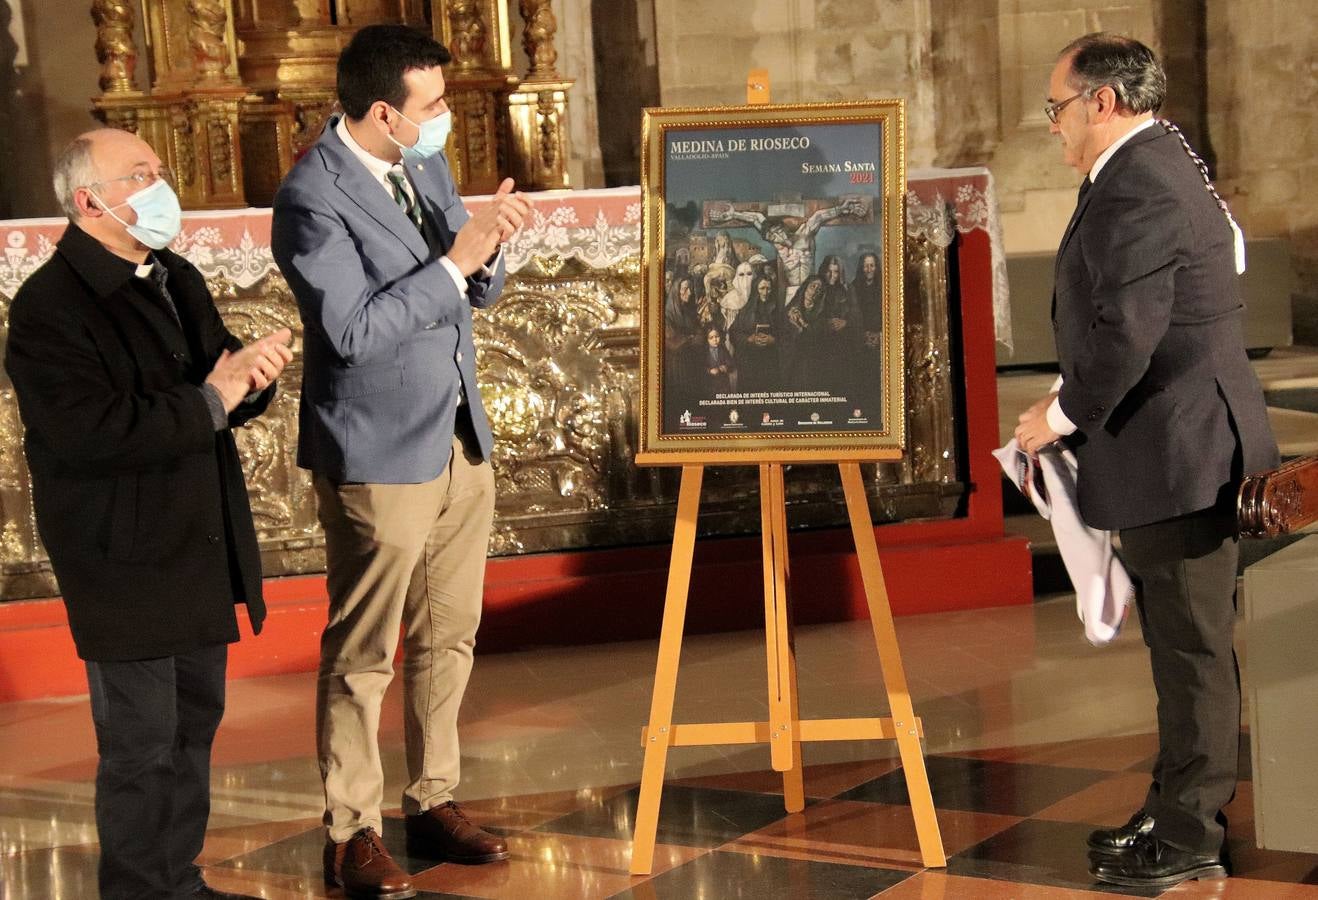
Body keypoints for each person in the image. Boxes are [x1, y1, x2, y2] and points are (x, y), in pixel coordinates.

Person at [271, 24, 529, 900]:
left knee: (448, 635)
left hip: (457, 436)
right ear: (385, 111)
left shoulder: (423, 163)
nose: (447, 119)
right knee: (366, 650)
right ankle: (351, 831)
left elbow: (466, 287)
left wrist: (489, 243)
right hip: (379, 450)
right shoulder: (311, 197)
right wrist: (456, 262)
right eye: (435, 106)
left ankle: (434, 799)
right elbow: (349, 333)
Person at [1014, 33, 1278, 890]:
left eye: (1057, 108)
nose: (1052, 126)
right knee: (1177, 645)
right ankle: (1174, 806)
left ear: (1103, 100)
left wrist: (1057, 415)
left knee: (1193, 648)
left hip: (1184, 445)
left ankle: (1192, 831)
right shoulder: (1152, 165)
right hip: (1173, 439)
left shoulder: (1146, 180)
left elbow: (1129, 328)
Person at [4, 128, 293, 900]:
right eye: (141, 174)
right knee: (140, 745)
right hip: (122, 554)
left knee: (194, 725)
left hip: (195, 540)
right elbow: (88, 433)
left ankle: (178, 879)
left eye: (159, 170)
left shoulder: (174, 277)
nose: (162, 186)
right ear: (89, 200)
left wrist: (251, 379)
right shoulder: (48, 309)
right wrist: (213, 398)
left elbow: (219, 379)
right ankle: (136, 890)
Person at [730, 273, 783, 394]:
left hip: (770, 363)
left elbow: (786, 335)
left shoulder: (778, 310)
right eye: (762, 288)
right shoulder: (746, 310)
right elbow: (733, 332)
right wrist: (749, 339)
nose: (765, 292)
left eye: (768, 288)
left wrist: (773, 340)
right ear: (756, 289)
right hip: (750, 363)